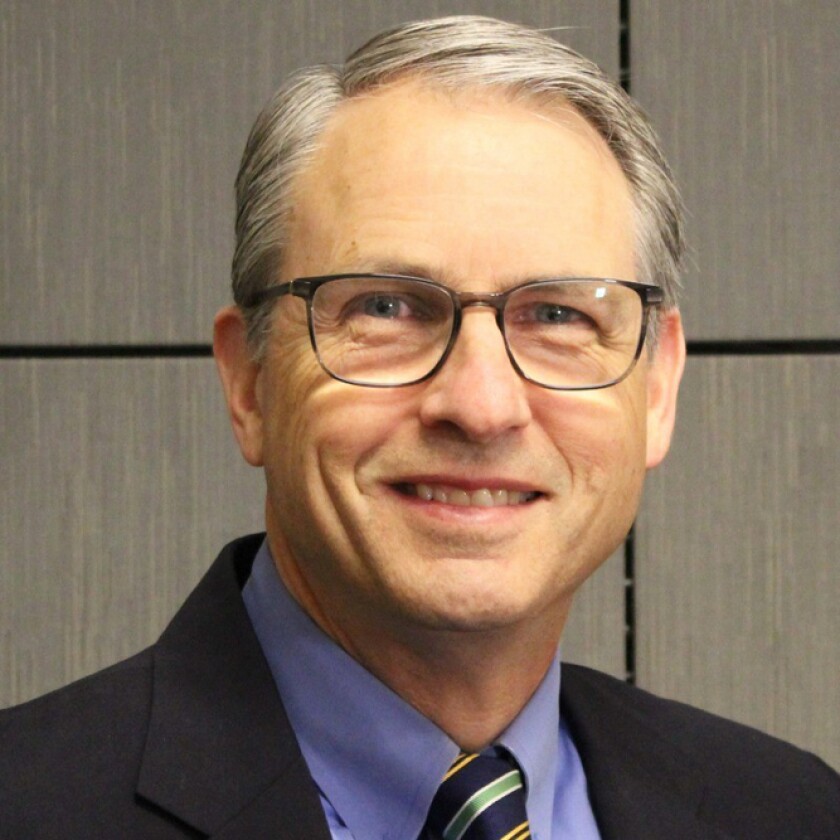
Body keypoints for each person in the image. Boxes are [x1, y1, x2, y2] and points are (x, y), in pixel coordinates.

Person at [1, 15, 838, 839]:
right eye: (387, 306)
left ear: (656, 389)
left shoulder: (792, 813)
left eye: (556, 314)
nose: (480, 406)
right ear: (250, 383)